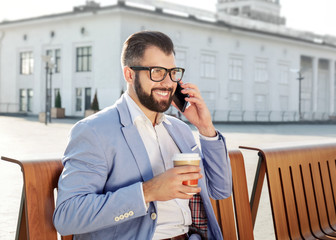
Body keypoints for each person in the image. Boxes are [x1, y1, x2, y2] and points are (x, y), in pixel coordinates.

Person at [53, 31, 232, 240]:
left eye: (172, 72)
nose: (168, 83)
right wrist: (147, 192)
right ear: (129, 75)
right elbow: (67, 217)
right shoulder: (94, 131)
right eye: (157, 71)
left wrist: (206, 129)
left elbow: (221, 191)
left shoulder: (180, 130)